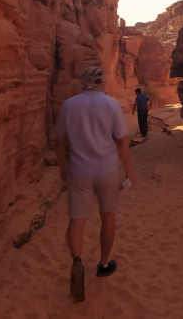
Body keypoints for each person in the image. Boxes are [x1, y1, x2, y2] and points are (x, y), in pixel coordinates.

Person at [54, 66, 136, 302]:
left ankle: (77, 261)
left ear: (83, 82)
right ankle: (103, 264)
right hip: (106, 170)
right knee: (108, 216)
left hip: (79, 171)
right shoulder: (111, 104)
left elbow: (59, 140)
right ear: (101, 81)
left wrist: (62, 166)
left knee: (77, 219)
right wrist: (128, 170)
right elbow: (122, 141)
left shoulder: (69, 105)